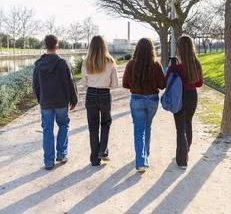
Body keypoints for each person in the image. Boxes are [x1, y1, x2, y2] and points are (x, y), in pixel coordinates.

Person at [33, 35, 78, 170]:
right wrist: (73, 98)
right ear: (57, 46)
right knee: (63, 125)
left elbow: (35, 85)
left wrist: (40, 99)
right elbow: (70, 82)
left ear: (44, 45)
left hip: (46, 102)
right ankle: (62, 154)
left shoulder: (38, 65)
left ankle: (48, 161)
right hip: (61, 102)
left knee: (47, 130)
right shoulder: (63, 63)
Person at [122, 38, 165, 173]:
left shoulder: (131, 64)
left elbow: (125, 84)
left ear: (137, 49)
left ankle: (141, 160)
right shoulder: (156, 65)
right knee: (147, 127)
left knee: (139, 129)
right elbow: (162, 85)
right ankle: (145, 154)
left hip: (136, 100)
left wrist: (135, 85)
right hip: (152, 100)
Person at [166, 35, 203, 169]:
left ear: (179, 48)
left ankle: (182, 160)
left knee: (180, 128)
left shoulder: (174, 63)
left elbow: (167, 82)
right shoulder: (196, 62)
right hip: (192, 96)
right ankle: (185, 151)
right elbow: (199, 83)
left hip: (178, 97)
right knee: (188, 123)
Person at [81, 35, 118, 166]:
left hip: (90, 94)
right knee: (106, 123)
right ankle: (103, 150)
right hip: (104, 94)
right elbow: (115, 84)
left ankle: (94, 159)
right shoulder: (110, 61)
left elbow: (83, 83)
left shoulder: (86, 61)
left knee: (93, 127)